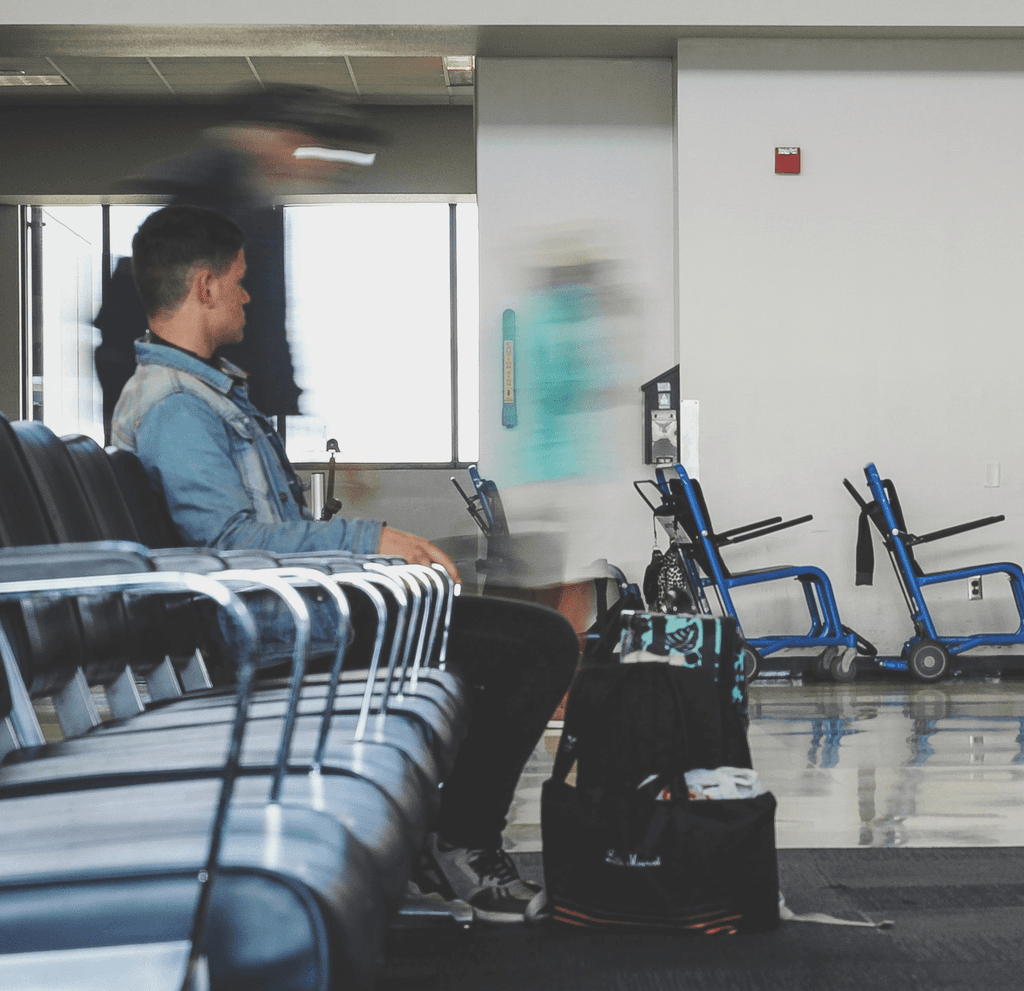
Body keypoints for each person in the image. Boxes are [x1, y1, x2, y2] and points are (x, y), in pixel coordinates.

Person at [112, 204, 576, 923]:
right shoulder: (179, 409)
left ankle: (435, 837)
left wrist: (370, 556)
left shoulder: (201, 394)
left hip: (292, 616)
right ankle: (458, 844)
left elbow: (261, 533)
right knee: (537, 643)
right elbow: (232, 541)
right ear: (203, 287)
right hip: (273, 633)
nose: (247, 295)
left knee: (505, 639)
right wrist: (372, 541)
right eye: (237, 281)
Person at [95, 84, 379, 441]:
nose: (313, 162)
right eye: (304, 144)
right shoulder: (220, 198)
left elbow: (262, 319)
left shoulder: (242, 199)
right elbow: (252, 318)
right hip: (181, 391)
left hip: (190, 386)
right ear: (274, 137)